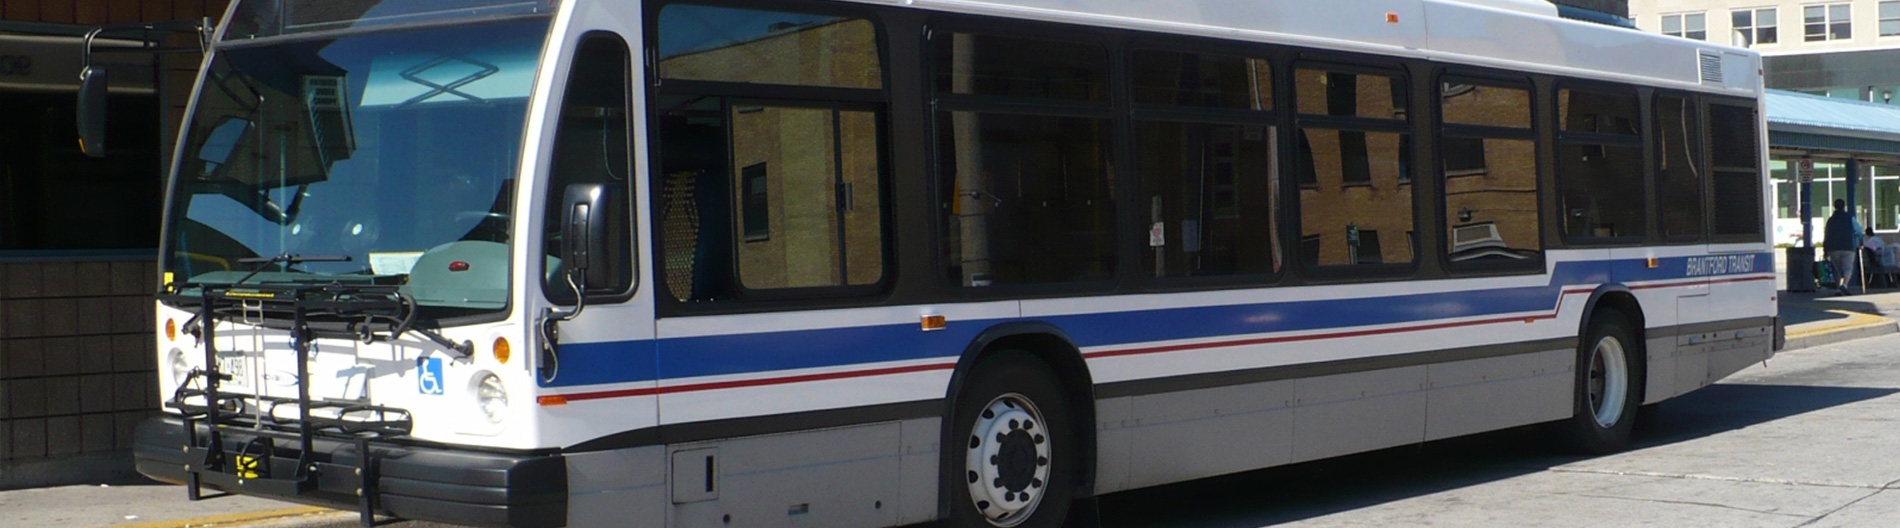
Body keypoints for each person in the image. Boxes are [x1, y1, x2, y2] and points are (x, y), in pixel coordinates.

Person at [1824, 199, 1862, 295]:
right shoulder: (1850, 218)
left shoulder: (1831, 220)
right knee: (1848, 268)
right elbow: (1859, 231)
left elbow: (1826, 235)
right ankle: (1844, 285)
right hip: (1848, 246)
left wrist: (1825, 250)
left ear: (1834, 206)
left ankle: (1837, 289)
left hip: (1833, 248)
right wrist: (1860, 243)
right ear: (1844, 206)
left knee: (1836, 269)